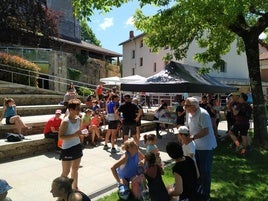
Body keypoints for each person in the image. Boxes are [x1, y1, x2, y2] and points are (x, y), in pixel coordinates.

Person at [184, 97, 217, 201]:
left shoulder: (203, 114)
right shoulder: (189, 113)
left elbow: (206, 131)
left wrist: (192, 137)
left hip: (206, 147)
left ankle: (205, 196)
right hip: (196, 146)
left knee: (205, 171)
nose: (185, 107)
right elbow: (189, 127)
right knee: (196, 170)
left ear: (194, 106)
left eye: (187, 105)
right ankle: (198, 192)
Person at [58, 99, 83, 190]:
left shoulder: (79, 119)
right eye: (77, 109)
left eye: (79, 109)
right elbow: (61, 137)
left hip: (77, 146)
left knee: (75, 169)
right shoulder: (65, 121)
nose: (78, 111)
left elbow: (78, 133)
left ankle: (75, 187)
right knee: (66, 172)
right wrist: (74, 135)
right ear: (71, 109)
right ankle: (60, 189)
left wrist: (81, 134)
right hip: (67, 148)